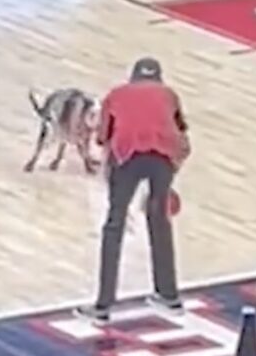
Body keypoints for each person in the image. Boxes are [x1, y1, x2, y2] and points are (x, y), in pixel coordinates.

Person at [74, 57, 191, 323]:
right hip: (164, 159)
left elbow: (103, 137)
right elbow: (181, 132)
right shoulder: (169, 94)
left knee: (114, 225)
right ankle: (169, 296)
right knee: (160, 220)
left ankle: (103, 306)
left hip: (126, 158)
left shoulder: (116, 95)